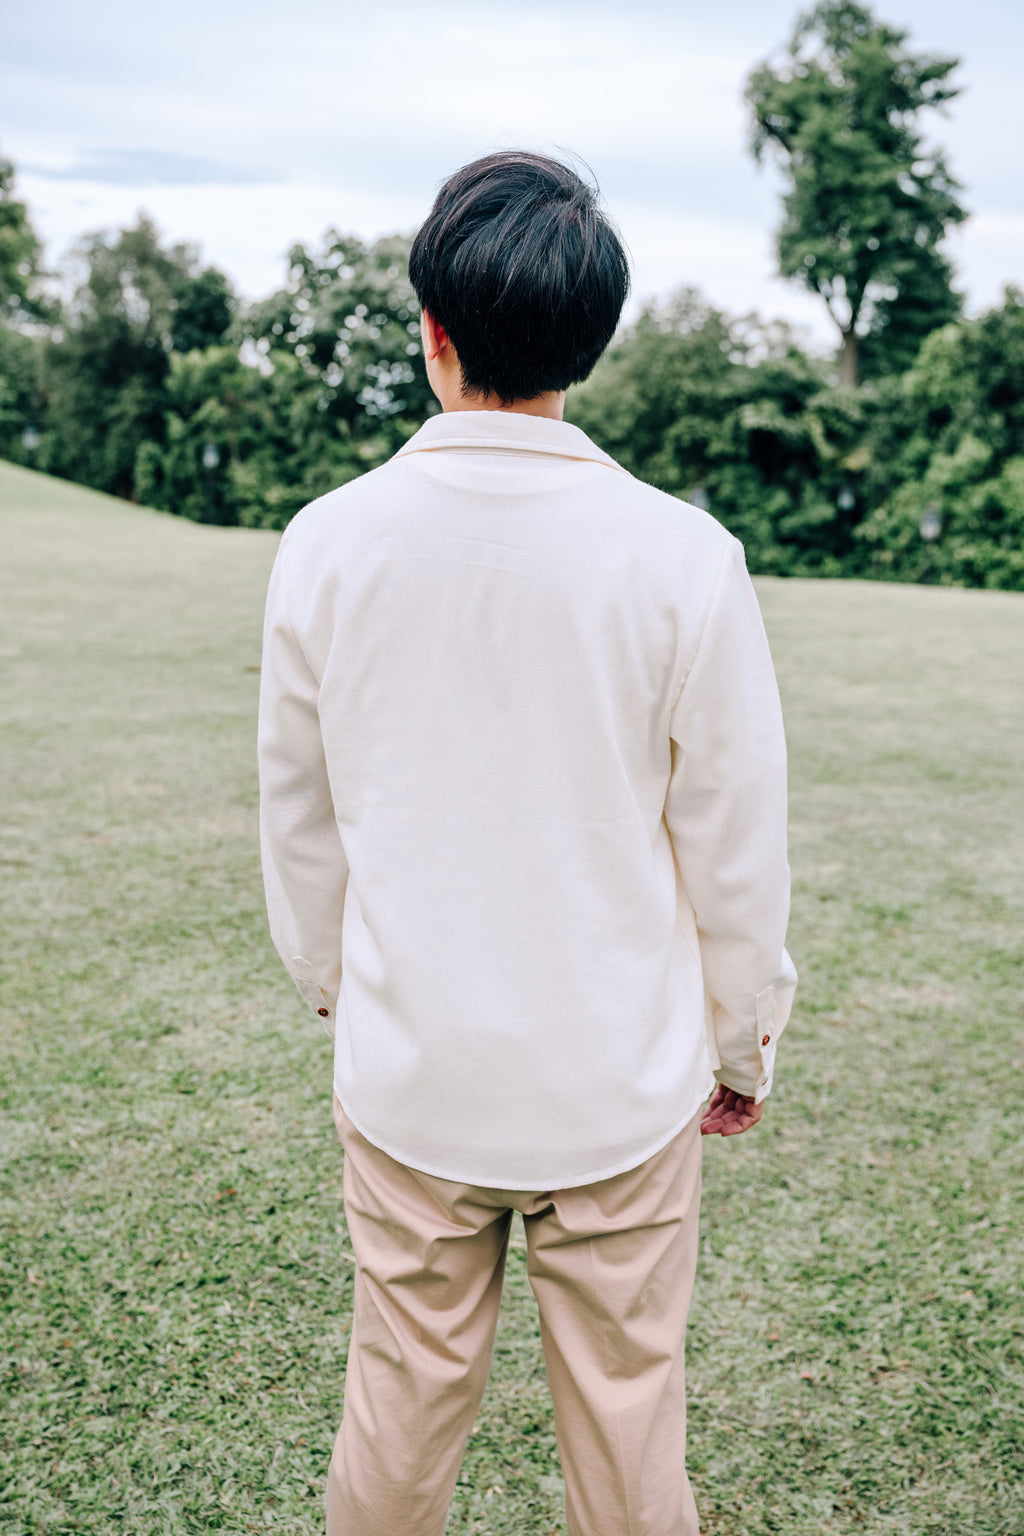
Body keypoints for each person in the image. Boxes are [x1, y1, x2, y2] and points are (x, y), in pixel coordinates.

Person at [258, 149, 797, 1536]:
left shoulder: (328, 541)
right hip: (617, 1086)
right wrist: (739, 1042)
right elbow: (734, 841)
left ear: (434, 335)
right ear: (592, 344)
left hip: (412, 1078)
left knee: (398, 1403)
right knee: (630, 1434)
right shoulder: (685, 556)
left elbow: (301, 817)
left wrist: (343, 992)